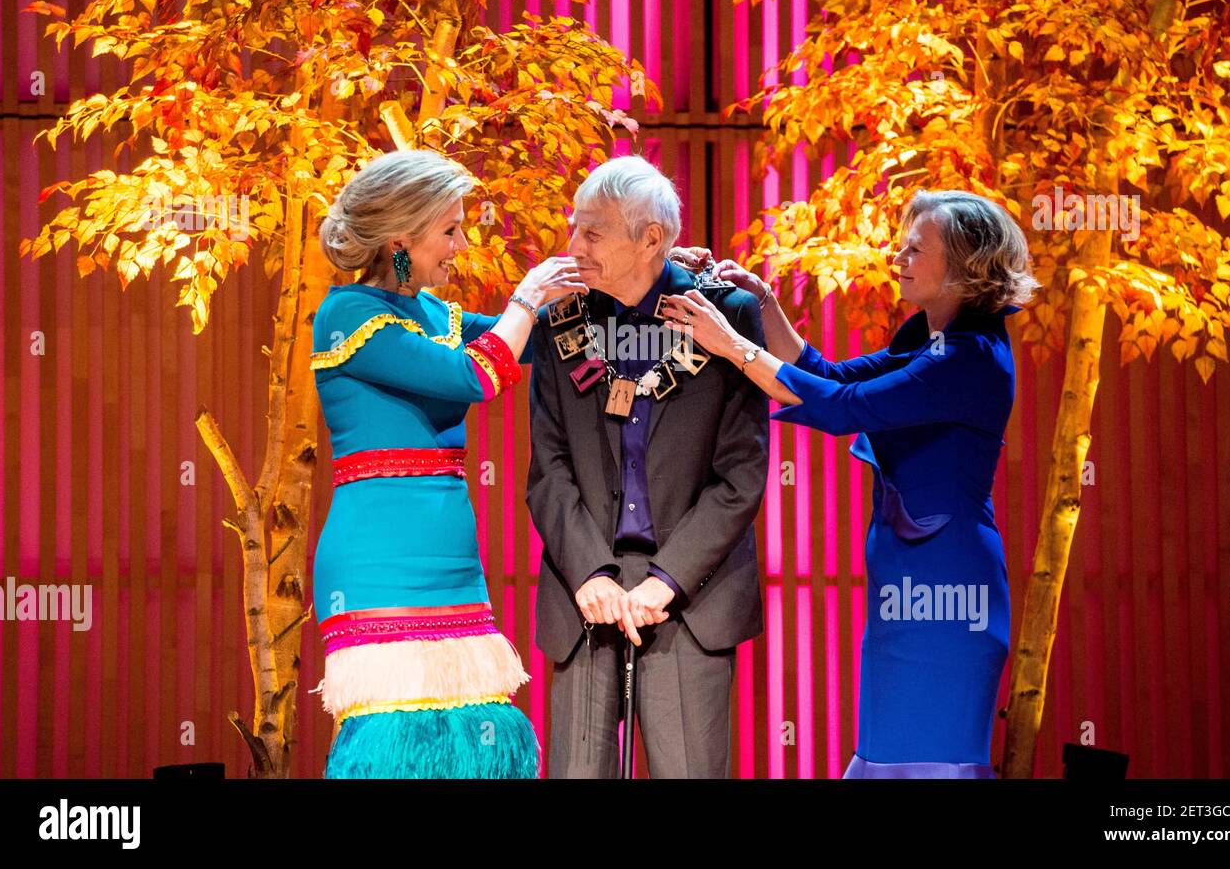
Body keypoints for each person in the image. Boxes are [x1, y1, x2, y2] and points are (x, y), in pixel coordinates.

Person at [659, 190, 1039, 778]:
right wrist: (763, 306)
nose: (900, 256)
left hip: (949, 588)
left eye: (918, 247)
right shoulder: (927, 337)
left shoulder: (970, 357)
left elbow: (841, 408)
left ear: (965, 265)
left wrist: (733, 346)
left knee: (929, 761)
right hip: (903, 579)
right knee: (886, 754)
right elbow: (828, 375)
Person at [309, 149, 585, 778]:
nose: (461, 244)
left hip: (452, 559)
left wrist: (632, 280)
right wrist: (525, 298)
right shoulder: (346, 314)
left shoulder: (438, 315)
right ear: (402, 241)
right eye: (450, 230)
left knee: (472, 741)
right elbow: (476, 375)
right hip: (377, 560)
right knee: (397, 741)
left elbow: (541, 341)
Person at [526, 155, 769, 778]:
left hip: (689, 587)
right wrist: (588, 574)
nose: (573, 246)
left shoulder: (728, 317)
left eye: (593, 233)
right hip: (586, 585)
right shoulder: (561, 319)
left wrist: (667, 579)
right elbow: (548, 470)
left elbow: (740, 477)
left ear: (651, 239)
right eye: (575, 228)